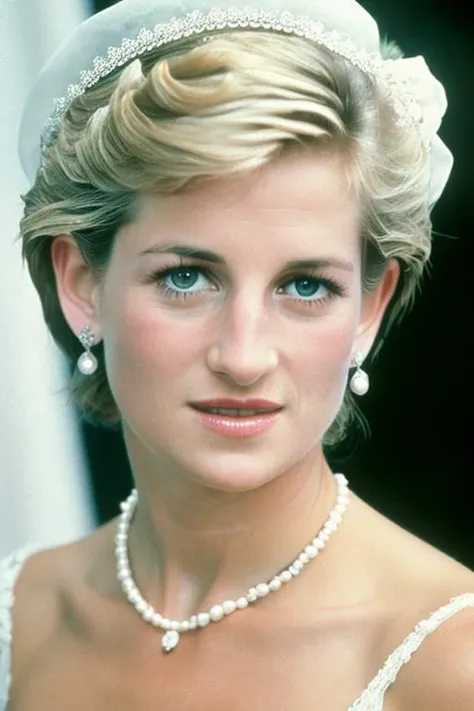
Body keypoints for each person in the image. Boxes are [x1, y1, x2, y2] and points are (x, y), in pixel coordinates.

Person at [1, 0, 473, 708]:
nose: (244, 355)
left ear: (370, 309)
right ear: (81, 283)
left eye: (306, 285)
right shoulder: (21, 619)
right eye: (186, 277)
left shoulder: (450, 662)